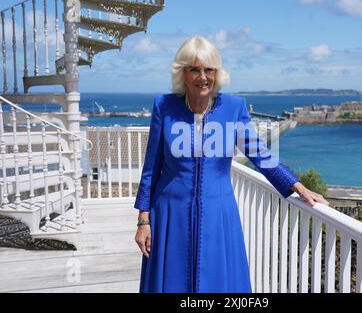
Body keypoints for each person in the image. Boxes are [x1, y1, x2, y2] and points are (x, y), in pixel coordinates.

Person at [134, 36, 329, 293]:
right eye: (194, 69)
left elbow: (260, 154)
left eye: (209, 69)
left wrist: (297, 185)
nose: (202, 77)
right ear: (183, 73)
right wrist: (143, 220)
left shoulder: (233, 107)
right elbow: (151, 167)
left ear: (217, 73)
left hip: (218, 214)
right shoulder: (165, 106)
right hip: (170, 214)